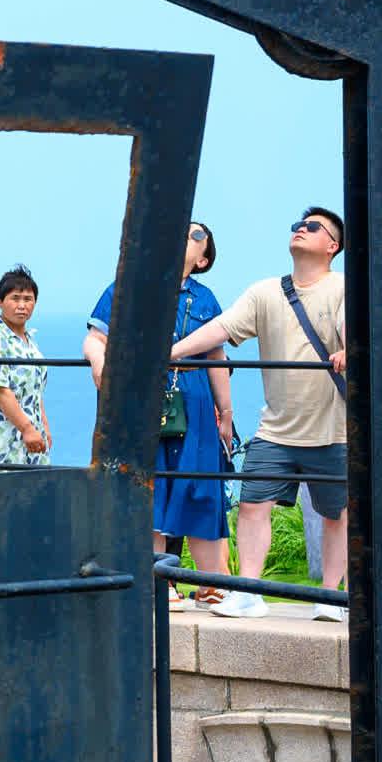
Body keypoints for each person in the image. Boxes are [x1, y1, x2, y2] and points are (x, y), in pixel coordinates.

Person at [173, 206, 348, 619]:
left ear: (333, 246)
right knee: (253, 505)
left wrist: (349, 350)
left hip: (336, 426)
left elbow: (355, 327)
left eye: (312, 227)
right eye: (297, 226)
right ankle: (248, 591)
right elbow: (220, 329)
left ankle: (330, 596)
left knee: (337, 513)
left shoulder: (343, 287)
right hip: (276, 427)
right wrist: (171, 354)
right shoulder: (266, 292)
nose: (300, 231)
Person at [89, 223, 236, 604]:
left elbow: (217, 356)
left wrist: (227, 412)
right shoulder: (130, 287)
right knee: (151, 482)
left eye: (196, 234)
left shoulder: (206, 299)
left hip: (197, 399)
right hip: (146, 396)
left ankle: (210, 583)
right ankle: (160, 581)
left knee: (201, 485)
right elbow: (95, 337)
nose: (185, 234)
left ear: (203, 259)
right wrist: (99, 363)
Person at [0, 266, 52, 469]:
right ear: (0, 302)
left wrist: (43, 427)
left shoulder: (30, 341)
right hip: (2, 435)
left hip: (32, 436)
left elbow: (35, 391)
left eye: (28, 299)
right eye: (15, 298)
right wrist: (26, 428)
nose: (22, 305)